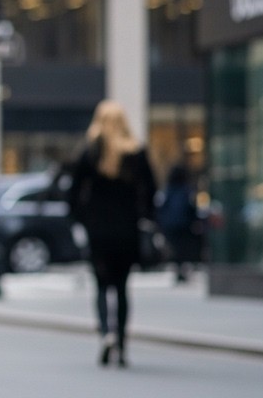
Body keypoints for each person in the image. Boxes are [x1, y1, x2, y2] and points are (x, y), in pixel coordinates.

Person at [67, 99, 158, 368]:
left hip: (98, 232)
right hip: (127, 231)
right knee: (121, 288)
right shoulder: (137, 153)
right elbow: (151, 191)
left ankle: (106, 332)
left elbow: (72, 193)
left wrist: (82, 220)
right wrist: (144, 218)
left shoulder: (89, 152)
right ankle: (121, 340)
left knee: (100, 285)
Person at [157, 163, 200, 284]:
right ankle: (182, 269)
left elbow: (161, 208)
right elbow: (191, 207)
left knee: (176, 248)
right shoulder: (186, 190)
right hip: (183, 224)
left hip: (170, 225)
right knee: (184, 248)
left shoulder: (167, 190)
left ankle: (179, 269)